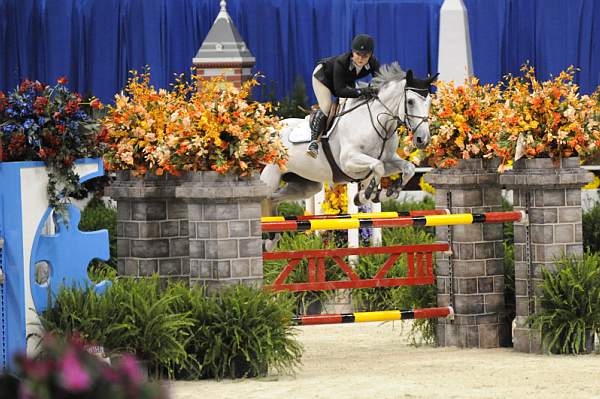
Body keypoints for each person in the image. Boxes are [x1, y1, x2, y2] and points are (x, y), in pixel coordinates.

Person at [307, 34, 381, 158]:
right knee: (326, 106)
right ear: (352, 52)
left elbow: (381, 81)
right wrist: (363, 91)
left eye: (365, 56)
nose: (361, 59)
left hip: (345, 80)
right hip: (323, 78)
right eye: (358, 54)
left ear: (371, 55)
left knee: (351, 106)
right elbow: (339, 91)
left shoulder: (373, 63)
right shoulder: (342, 62)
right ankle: (313, 142)